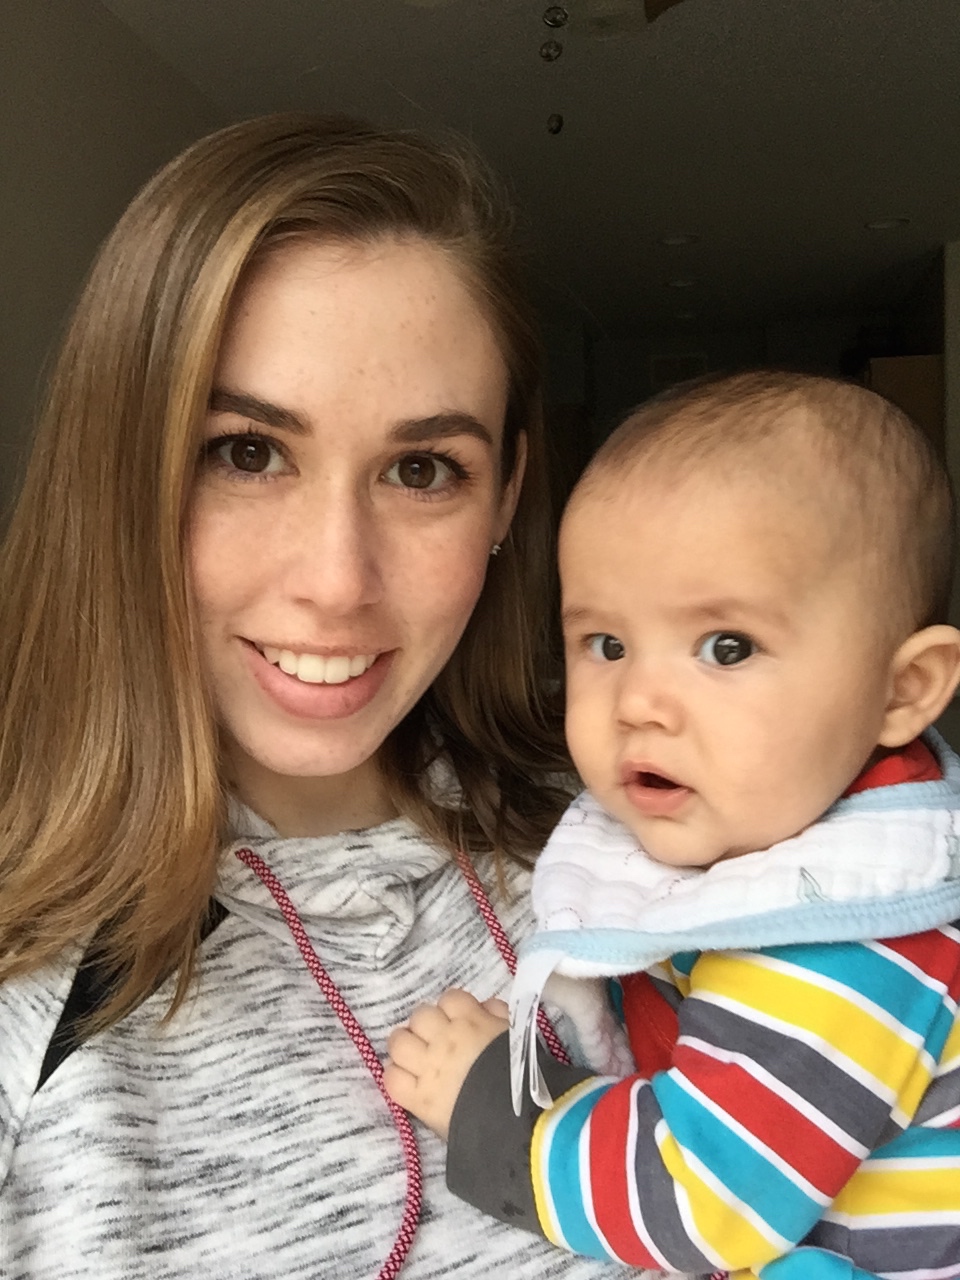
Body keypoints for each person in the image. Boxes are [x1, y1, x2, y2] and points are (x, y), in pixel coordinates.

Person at [0, 113, 661, 1280]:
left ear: (507, 496)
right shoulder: (33, 996)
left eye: (422, 470)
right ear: (126, 468)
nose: (337, 581)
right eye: (246, 451)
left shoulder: (648, 838)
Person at [385, 371, 960, 1280]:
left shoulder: (852, 938)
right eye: (606, 645)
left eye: (726, 648)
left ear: (902, 691)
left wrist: (499, 1110)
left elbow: (704, 1200)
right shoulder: (762, 833)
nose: (639, 702)